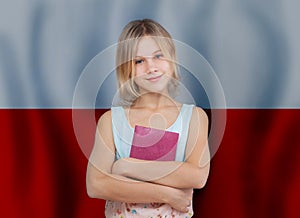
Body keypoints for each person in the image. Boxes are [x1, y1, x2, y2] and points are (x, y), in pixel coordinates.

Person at [86, 18, 210, 217]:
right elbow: (95, 184)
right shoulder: (111, 122)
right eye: (139, 61)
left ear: (172, 59)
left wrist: (126, 166)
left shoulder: (194, 117)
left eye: (158, 56)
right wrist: (168, 194)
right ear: (127, 68)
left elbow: (197, 176)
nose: (151, 68)